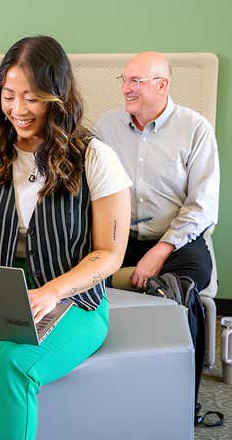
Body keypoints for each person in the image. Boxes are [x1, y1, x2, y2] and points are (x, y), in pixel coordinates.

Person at [0, 36, 132, 440]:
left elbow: (110, 253)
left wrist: (51, 293)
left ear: (57, 97)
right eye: (9, 96)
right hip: (2, 299)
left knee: (11, 363)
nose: (18, 110)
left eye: (32, 98)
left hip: (75, 302)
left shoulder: (95, 158)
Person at [93, 51, 219, 292]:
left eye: (136, 81)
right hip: (118, 238)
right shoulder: (105, 128)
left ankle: (170, 316)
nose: (125, 89)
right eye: (124, 80)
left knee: (189, 279)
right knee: (83, 276)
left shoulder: (195, 129)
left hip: (175, 239)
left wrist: (162, 250)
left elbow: (202, 207)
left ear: (162, 85)